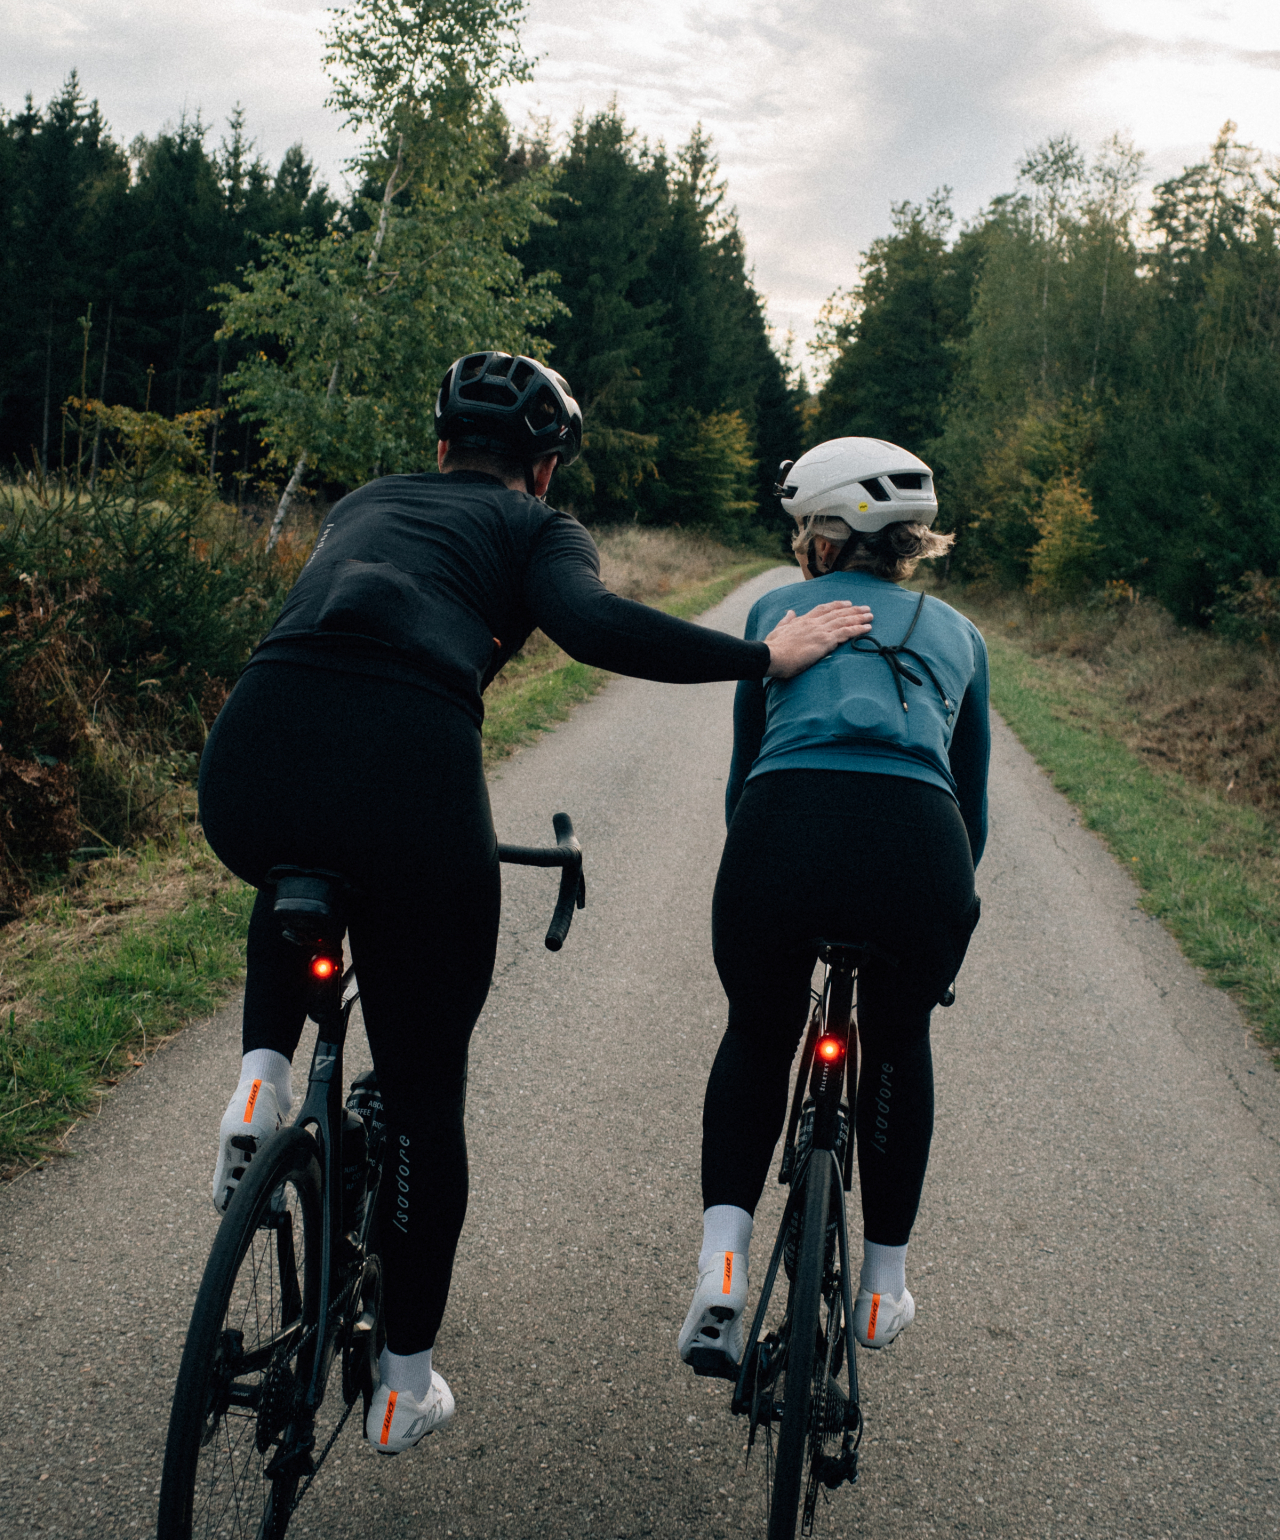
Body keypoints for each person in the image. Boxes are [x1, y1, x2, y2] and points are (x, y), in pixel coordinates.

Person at [197, 352, 872, 1455]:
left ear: (437, 446)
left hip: (252, 751)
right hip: (409, 775)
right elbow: (593, 624)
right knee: (421, 1093)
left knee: (296, 865)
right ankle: (403, 1386)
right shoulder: (534, 530)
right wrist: (761, 655)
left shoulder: (362, 502)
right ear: (545, 465)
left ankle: (257, 1081)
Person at [678, 435, 990, 1375]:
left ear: (823, 533)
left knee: (758, 1030)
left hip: (785, 836)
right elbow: (968, 811)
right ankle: (884, 1285)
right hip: (918, 852)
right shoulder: (962, 636)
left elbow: (743, 783)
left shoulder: (777, 610)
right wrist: (941, 916)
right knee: (897, 1041)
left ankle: (723, 1272)